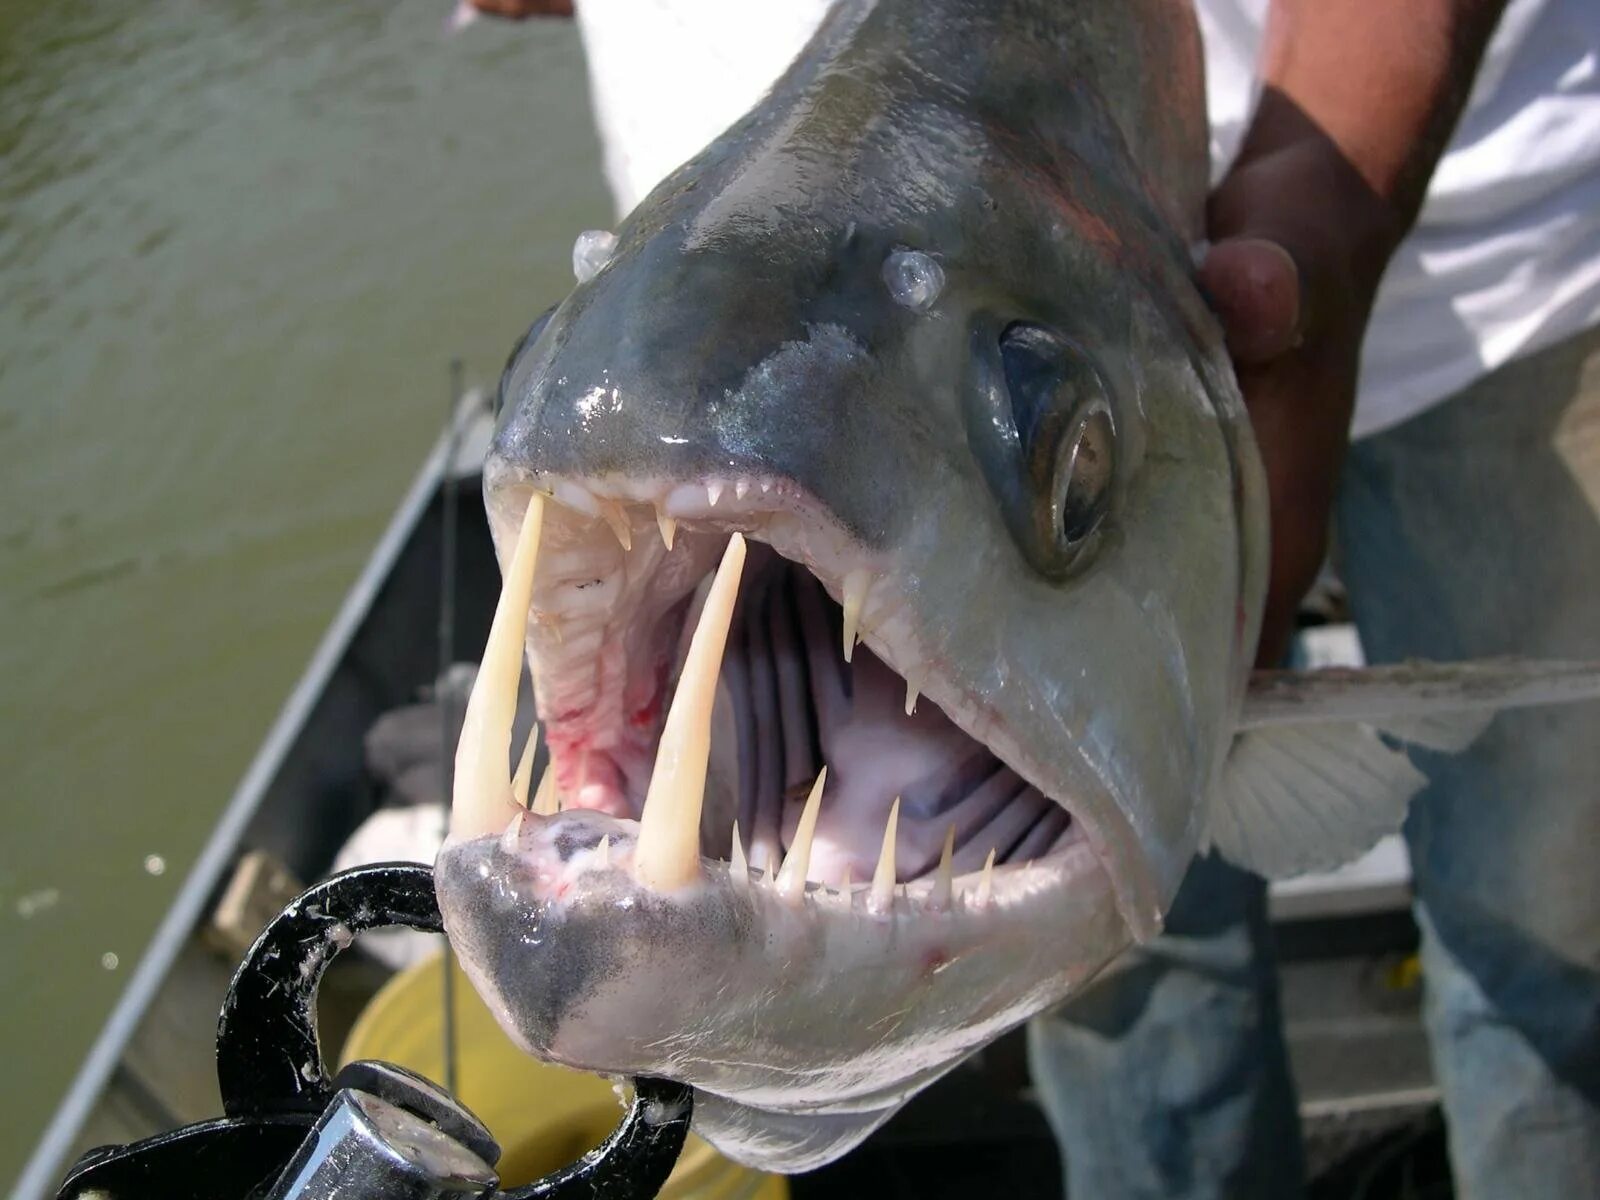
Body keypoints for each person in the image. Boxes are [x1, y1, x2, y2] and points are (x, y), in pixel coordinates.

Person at [475, 1, 1600, 1194]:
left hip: (1491, 266)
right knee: (1124, 1000)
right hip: (702, 315)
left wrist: (1338, 194)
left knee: (1540, 910)